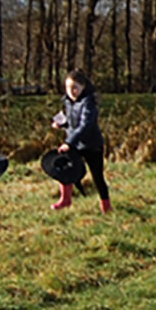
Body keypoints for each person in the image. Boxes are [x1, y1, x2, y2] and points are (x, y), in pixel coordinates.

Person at [51, 69, 112, 214]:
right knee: (65, 167)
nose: (71, 91)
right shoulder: (67, 101)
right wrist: (62, 124)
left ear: (83, 87)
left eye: (75, 88)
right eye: (68, 88)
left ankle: (106, 207)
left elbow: (86, 125)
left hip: (92, 145)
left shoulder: (89, 102)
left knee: (97, 177)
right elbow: (74, 123)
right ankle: (65, 200)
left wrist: (69, 143)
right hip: (75, 143)